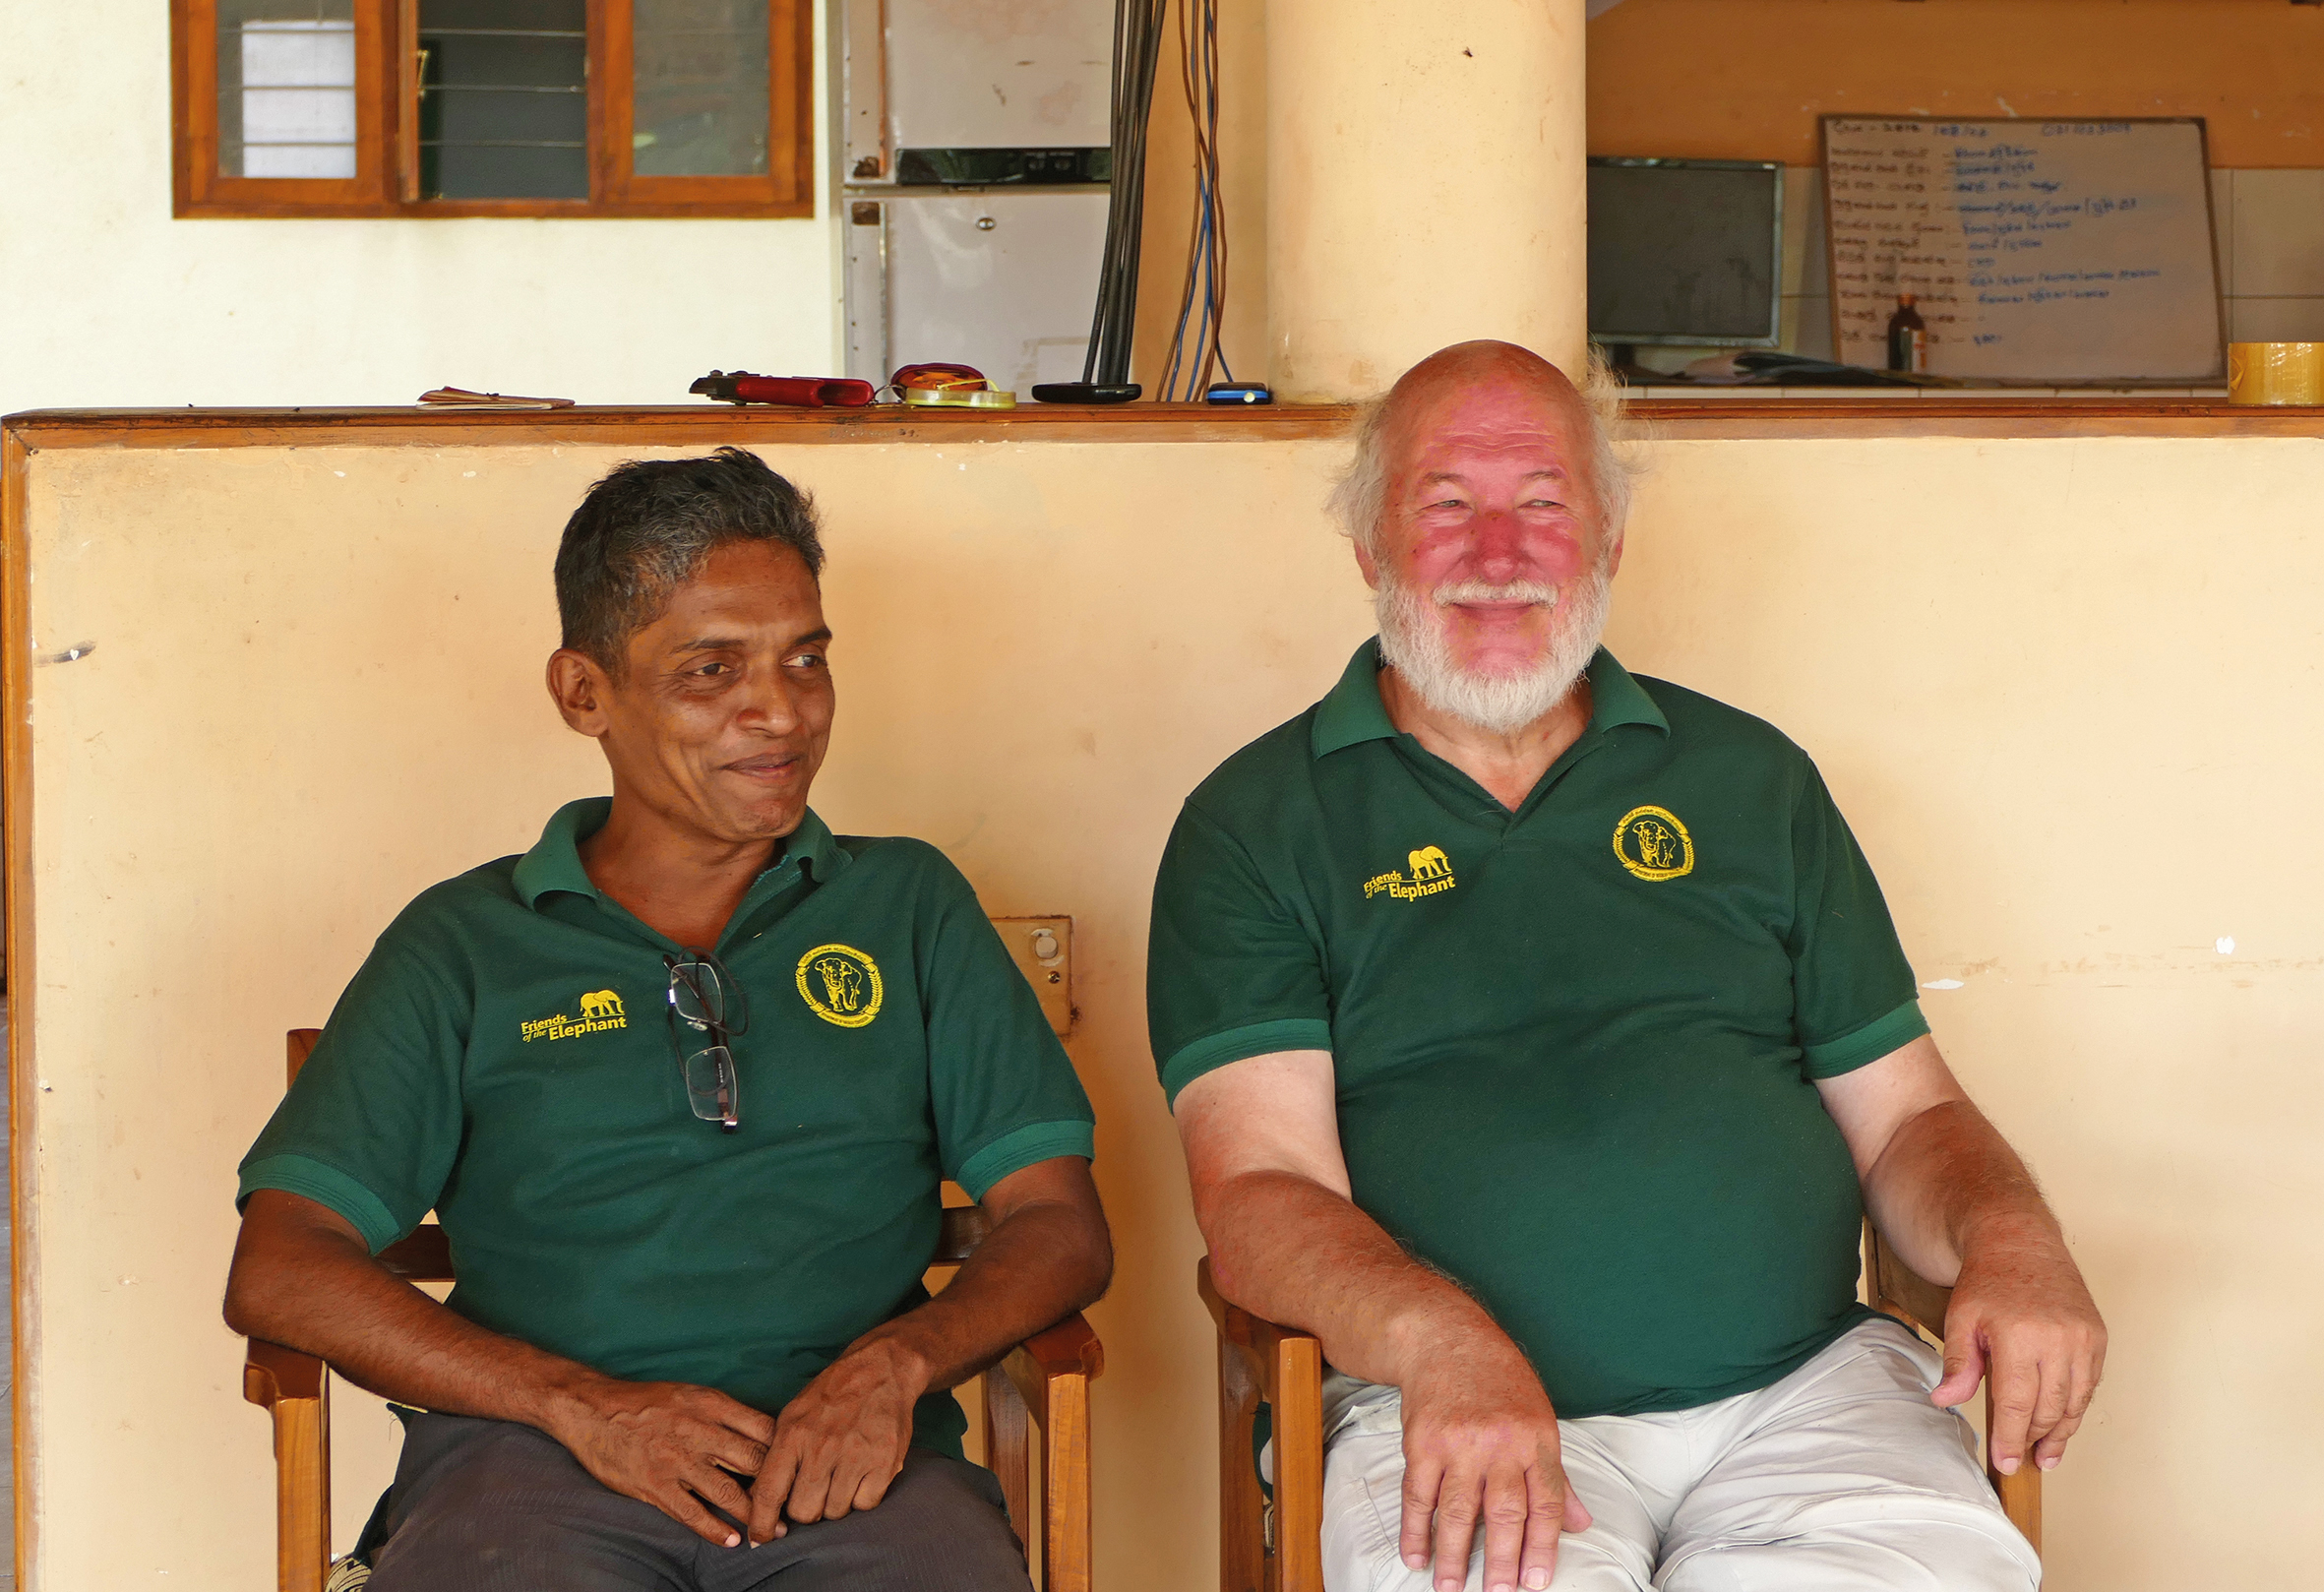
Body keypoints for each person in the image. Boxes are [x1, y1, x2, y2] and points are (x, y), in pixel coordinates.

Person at [1147, 342, 2104, 1592]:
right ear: (1370, 548)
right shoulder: (1255, 822)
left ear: (1609, 541)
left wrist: (2013, 1237)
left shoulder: (1750, 779)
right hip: (1447, 1401)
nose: (1499, 554)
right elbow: (1257, 1189)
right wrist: (1438, 1344)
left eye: (1544, 504)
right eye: (1447, 504)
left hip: (1805, 1397)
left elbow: (1908, 1118)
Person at [225, 448, 1111, 1592]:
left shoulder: (907, 905)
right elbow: (282, 1264)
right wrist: (578, 1406)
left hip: (854, 1471)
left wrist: (897, 1365)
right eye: (711, 669)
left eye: (806, 659)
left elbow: (1057, 1221)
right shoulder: (465, 943)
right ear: (584, 693)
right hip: (532, 1472)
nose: (780, 711)